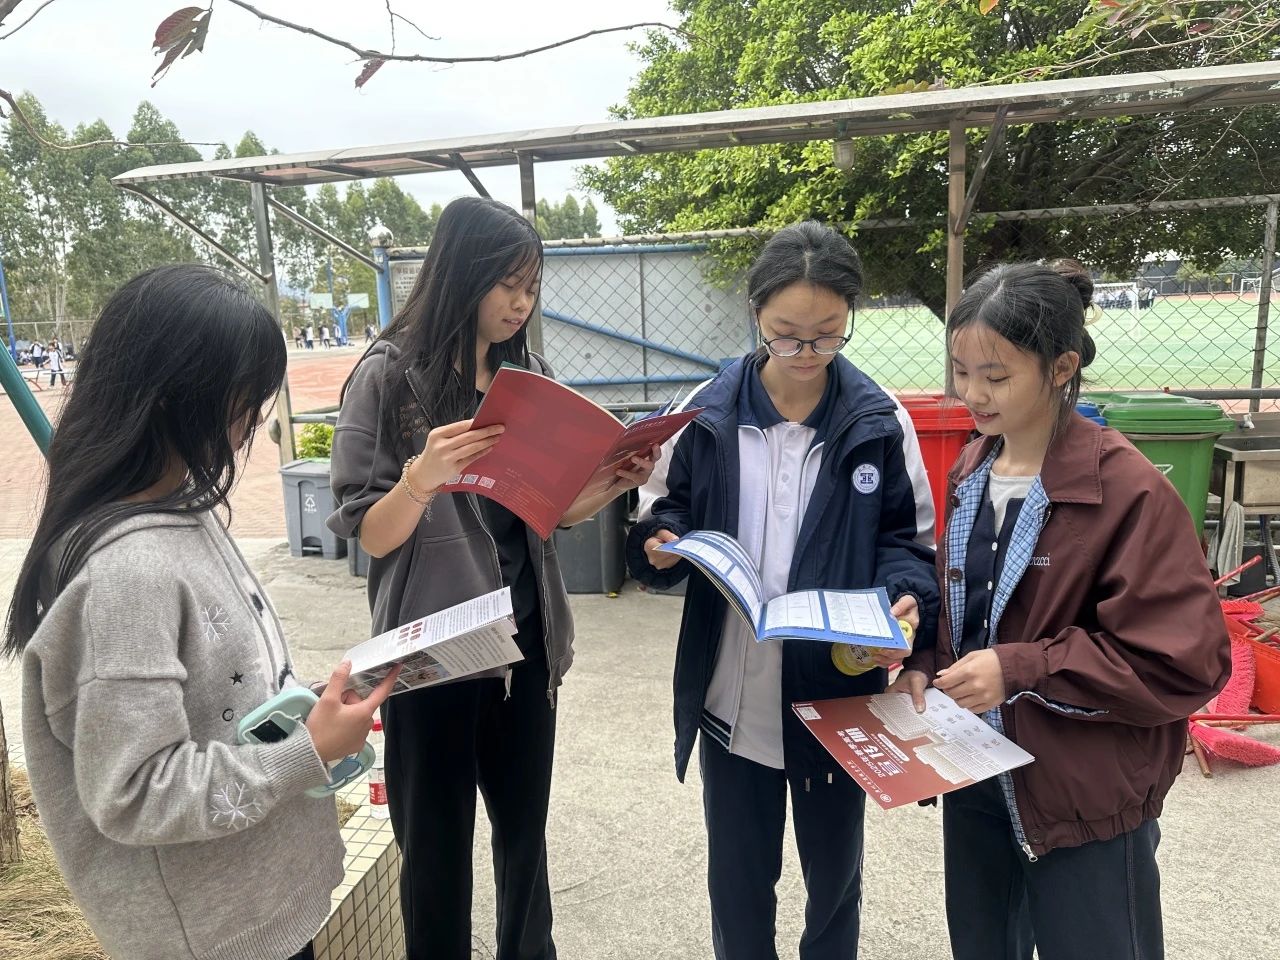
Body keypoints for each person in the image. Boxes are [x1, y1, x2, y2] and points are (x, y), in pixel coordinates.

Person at [6, 264, 400, 960]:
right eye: (242, 398)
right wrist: (307, 752)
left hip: (251, 903)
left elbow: (218, 698)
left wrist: (311, 709)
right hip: (211, 936)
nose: (251, 422)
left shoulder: (183, 513)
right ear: (174, 396)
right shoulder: (126, 575)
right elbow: (134, 791)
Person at [326, 196, 657, 960]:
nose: (521, 303)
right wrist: (422, 478)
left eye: (531, 287)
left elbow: (548, 512)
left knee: (524, 844)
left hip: (525, 645)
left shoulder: (528, 377)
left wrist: (610, 482)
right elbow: (369, 531)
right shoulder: (388, 377)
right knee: (435, 858)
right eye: (508, 283)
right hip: (431, 654)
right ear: (461, 273)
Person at [891, 259, 1230, 960]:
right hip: (977, 772)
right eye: (961, 371)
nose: (972, 393)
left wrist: (1022, 668)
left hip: (1084, 794)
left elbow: (1184, 661)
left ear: (1061, 367)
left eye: (995, 375)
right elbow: (969, 612)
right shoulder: (972, 467)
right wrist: (924, 658)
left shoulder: (1127, 490)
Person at [628, 222, 939, 960]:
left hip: (835, 692)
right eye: (786, 334)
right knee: (738, 880)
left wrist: (903, 598)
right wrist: (660, 543)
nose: (805, 353)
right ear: (756, 314)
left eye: (827, 335)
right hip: (730, 691)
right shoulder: (708, 410)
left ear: (850, 316)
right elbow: (663, 508)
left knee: (834, 880)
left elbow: (908, 539)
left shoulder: (878, 420)